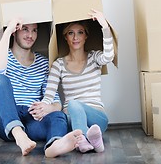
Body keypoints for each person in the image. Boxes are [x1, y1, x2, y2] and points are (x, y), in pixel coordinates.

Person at [0, 18, 82, 158]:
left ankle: (54, 145)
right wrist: (8, 31)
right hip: (7, 120)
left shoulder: (43, 63)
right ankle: (19, 134)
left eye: (34, 30)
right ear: (15, 32)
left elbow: (56, 102)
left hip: (32, 119)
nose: (30, 35)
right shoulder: (1, 58)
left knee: (59, 116)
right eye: (25, 29)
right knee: (0, 80)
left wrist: (48, 108)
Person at [40, 9, 115, 153]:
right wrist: (41, 107)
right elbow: (49, 95)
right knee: (73, 106)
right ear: (65, 37)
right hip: (72, 119)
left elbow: (109, 57)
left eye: (80, 32)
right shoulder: (59, 64)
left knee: (75, 103)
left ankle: (84, 139)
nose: (75, 37)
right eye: (70, 33)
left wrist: (105, 26)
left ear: (86, 36)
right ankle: (92, 141)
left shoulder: (94, 58)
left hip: (97, 118)